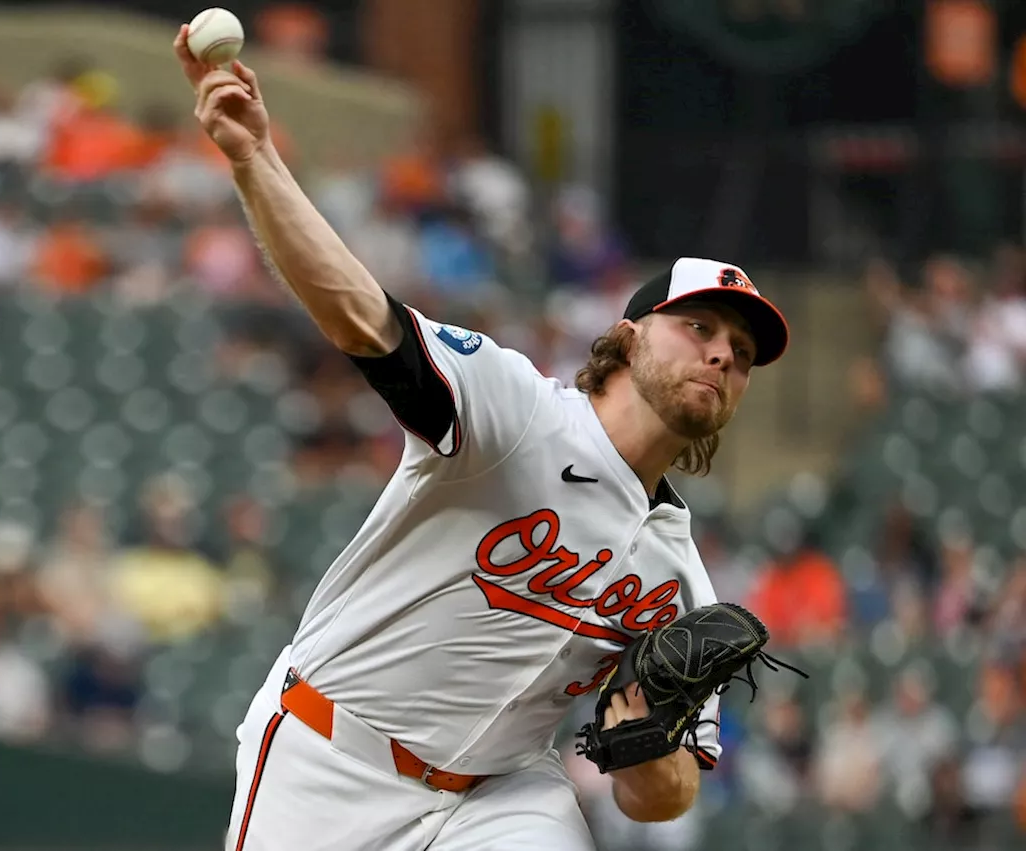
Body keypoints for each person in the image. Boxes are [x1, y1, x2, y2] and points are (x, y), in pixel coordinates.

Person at [172, 26, 790, 851]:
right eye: (700, 326)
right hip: (330, 754)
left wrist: (646, 736)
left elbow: (660, 798)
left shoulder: (678, 577)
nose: (721, 352)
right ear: (629, 336)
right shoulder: (516, 412)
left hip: (501, 794)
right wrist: (256, 161)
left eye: (742, 354)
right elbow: (360, 313)